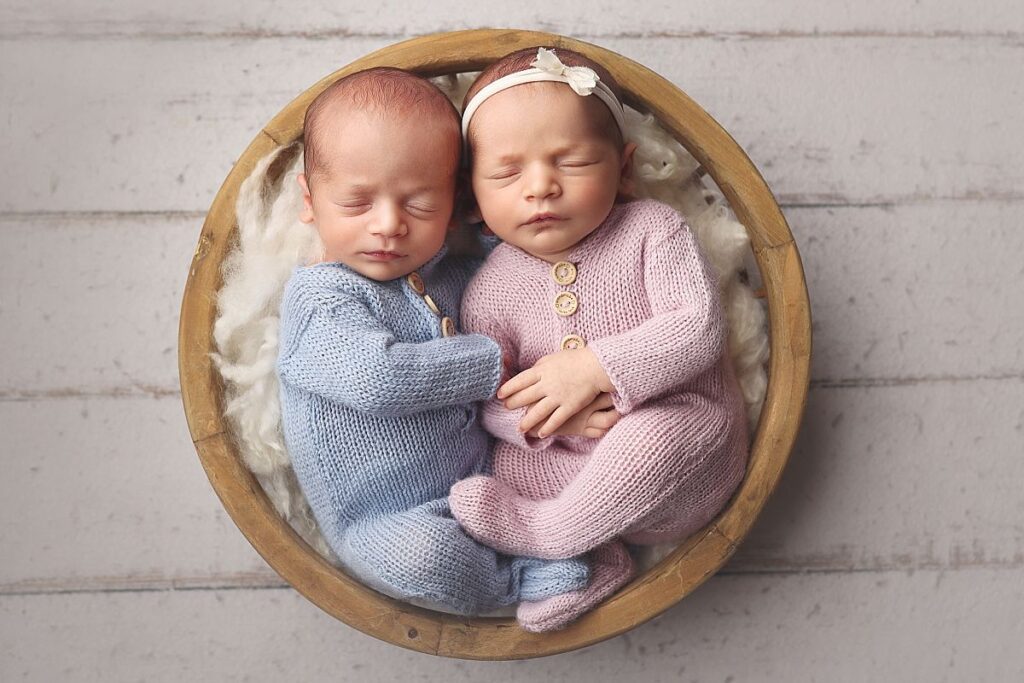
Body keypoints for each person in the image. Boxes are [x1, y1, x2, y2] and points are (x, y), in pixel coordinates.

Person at [276, 67, 595, 628]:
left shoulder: (450, 272)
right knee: (425, 560)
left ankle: (557, 533)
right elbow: (380, 378)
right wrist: (491, 360)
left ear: (456, 204)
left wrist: (507, 227)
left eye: (420, 205)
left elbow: (513, 274)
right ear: (310, 197)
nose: (389, 226)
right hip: (386, 517)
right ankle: (516, 579)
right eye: (356, 204)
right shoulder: (321, 302)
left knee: (572, 465)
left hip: (486, 481)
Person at [450, 48, 750, 630]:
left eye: (573, 162)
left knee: (652, 434)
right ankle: (599, 559)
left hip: (687, 456)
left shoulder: (651, 231)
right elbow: (488, 395)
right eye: (508, 173)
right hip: (574, 471)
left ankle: (549, 534)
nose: (540, 187)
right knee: (508, 464)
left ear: (624, 168)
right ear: (472, 198)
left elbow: (697, 327)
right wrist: (543, 423)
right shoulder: (489, 289)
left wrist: (594, 368)